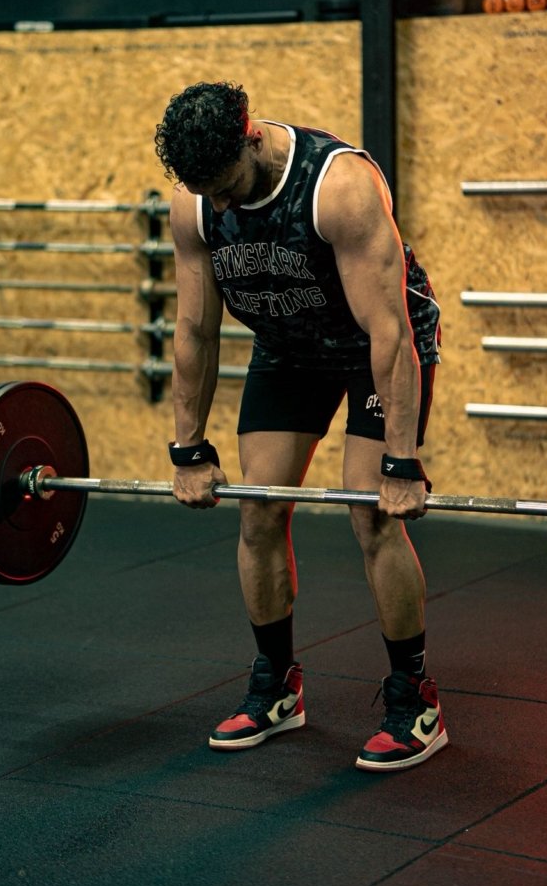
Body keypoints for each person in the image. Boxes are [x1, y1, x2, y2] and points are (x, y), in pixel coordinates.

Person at [154, 80, 447, 771]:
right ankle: (276, 685)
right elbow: (195, 329)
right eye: (209, 194)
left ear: (250, 137)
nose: (221, 206)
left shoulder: (337, 186)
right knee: (258, 511)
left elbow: (389, 332)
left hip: (375, 348)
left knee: (372, 514)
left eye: (228, 187)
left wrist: (401, 464)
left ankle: (417, 699)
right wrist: (188, 448)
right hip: (288, 349)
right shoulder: (194, 200)